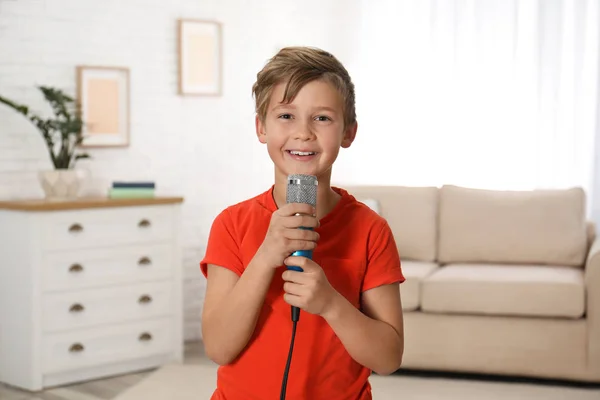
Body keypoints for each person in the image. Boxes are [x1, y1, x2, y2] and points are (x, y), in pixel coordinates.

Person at [200, 46, 405, 400]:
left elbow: (387, 358)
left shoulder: (371, 230)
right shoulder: (231, 224)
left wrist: (330, 303)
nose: (304, 133)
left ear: (348, 132)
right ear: (261, 127)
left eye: (322, 118)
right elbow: (219, 347)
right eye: (286, 116)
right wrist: (266, 256)